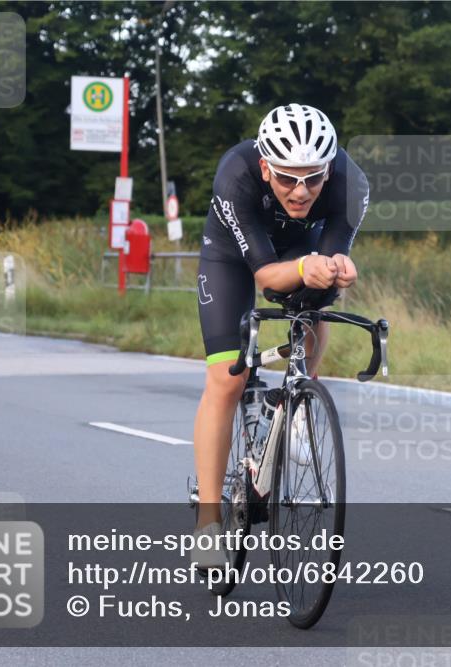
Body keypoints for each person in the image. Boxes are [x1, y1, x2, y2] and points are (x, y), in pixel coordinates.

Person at [190, 104, 369, 569]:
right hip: (233, 252)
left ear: (329, 170)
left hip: (296, 245)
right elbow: (268, 277)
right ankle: (209, 523)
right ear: (267, 167)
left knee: (318, 295)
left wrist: (336, 268)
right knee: (228, 378)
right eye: (288, 178)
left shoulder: (352, 186)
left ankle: (296, 402)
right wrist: (303, 268)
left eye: (313, 178)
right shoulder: (236, 175)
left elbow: (325, 263)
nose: (301, 190)